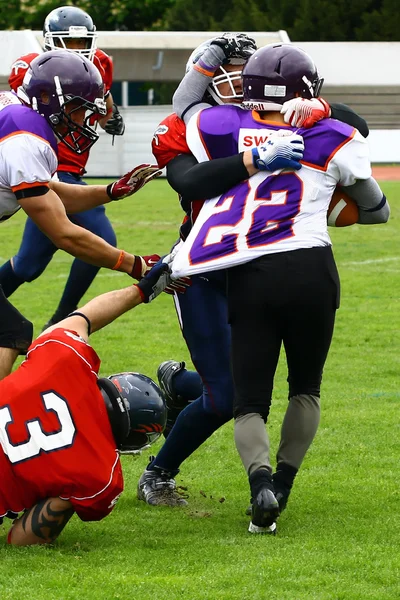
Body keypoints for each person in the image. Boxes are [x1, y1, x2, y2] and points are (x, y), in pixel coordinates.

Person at [137, 35, 371, 509]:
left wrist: (316, 107)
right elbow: (189, 179)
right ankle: (158, 473)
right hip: (205, 270)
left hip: (260, 271)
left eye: (244, 78)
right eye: (226, 78)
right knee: (227, 397)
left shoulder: (256, 117)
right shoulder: (195, 126)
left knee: (236, 384)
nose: (237, 87)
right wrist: (254, 157)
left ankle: (180, 383)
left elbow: (355, 122)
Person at [0, 49, 160, 379]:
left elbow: (55, 195)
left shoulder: (18, 115)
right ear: (46, 97)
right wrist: (133, 264)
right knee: (9, 334)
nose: (83, 120)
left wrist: (110, 192)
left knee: (10, 332)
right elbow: (63, 232)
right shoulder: (25, 136)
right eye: (77, 109)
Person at [0, 257, 172, 546]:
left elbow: (84, 318)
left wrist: (141, 291)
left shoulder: (66, 359)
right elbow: (19, 540)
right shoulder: (102, 475)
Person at [1, 5, 127, 330]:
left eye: (82, 42)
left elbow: (97, 104)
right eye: (67, 43)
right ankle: (64, 322)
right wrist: (135, 267)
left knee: (28, 266)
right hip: (44, 167)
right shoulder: (31, 74)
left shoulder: (101, 64)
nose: (76, 50)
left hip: (58, 170)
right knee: (99, 236)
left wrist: (110, 113)